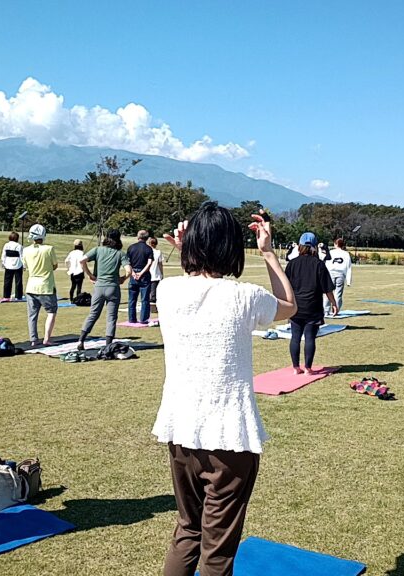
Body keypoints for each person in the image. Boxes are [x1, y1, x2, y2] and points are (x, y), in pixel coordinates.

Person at [152, 203, 296, 576]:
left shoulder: (166, 291)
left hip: (181, 433)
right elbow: (290, 306)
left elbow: (191, 279)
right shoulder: (245, 297)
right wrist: (267, 252)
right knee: (217, 550)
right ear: (233, 248)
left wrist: (188, 248)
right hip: (230, 438)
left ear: (191, 245)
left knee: (187, 530)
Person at [285, 232, 339, 374]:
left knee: (295, 337)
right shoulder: (319, 264)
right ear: (315, 246)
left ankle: (296, 367)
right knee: (310, 337)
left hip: (296, 307)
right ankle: (308, 368)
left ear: (300, 246)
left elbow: (286, 287)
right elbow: (327, 288)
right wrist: (334, 303)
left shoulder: (292, 264)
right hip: (313, 307)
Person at [77, 230, 131, 349]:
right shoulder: (120, 254)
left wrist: (90, 274)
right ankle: (108, 344)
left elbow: (82, 260)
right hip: (113, 287)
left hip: (99, 286)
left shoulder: (98, 250)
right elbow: (129, 270)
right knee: (111, 317)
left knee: (93, 314)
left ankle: (81, 340)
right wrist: (123, 278)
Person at [22, 224, 58, 346]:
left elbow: (25, 266)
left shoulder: (26, 250)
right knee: (51, 312)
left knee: (32, 314)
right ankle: (47, 338)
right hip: (46, 286)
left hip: (31, 286)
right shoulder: (49, 249)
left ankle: (33, 339)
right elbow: (55, 265)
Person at [126, 230, 155, 324]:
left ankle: (132, 318)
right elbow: (149, 263)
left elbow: (127, 262)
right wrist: (141, 273)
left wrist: (133, 273)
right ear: (147, 238)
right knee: (145, 299)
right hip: (144, 275)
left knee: (132, 298)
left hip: (133, 273)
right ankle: (143, 319)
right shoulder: (148, 249)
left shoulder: (131, 247)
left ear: (137, 236)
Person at [325, 238, 353, 312]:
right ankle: (336, 310)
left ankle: (326, 310)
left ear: (336, 244)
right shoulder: (346, 254)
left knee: (328, 292)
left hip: (330, 273)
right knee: (338, 293)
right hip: (341, 274)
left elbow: (327, 264)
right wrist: (348, 280)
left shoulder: (331, 252)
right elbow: (349, 267)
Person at [0, 232, 24, 300]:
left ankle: (6, 296)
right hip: (18, 265)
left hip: (8, 265)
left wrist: (3, 263)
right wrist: (24, 265)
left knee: (7, 281)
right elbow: (22, 256)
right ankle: (18, 296)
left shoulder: (6, 245)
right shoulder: (19, 246)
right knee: (18, 281)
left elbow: (3, 255)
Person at [65, 240, 86, 304]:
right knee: (79, 287)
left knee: (73, 286)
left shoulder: (71, 253)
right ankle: (78, 300)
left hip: (73, 272)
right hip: (80, 272)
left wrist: (68, 268)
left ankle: (71, 299)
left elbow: (66, 261)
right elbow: (84, 262)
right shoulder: (82, 253)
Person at [149, 236, 164, 304]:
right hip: (156, 274)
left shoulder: (147, 251)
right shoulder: (158, 252)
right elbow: (160, 264)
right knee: (154, 291)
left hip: (148, 274)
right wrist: (162, 273)